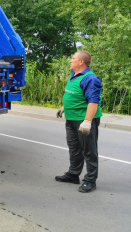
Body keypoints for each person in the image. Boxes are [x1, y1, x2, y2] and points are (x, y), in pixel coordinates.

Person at [55, 51, 102, 193]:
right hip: (71, 118)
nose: (70, 60)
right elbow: (75, 95)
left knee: (89, 150)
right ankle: (73, 174)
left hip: (83, 120)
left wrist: (87, 121)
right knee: (74, 148)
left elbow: (93, 101)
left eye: (73, 58)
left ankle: (90, 180)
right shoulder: (73, 75)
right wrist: (65, 107)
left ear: (81, 62)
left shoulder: (90, 78)